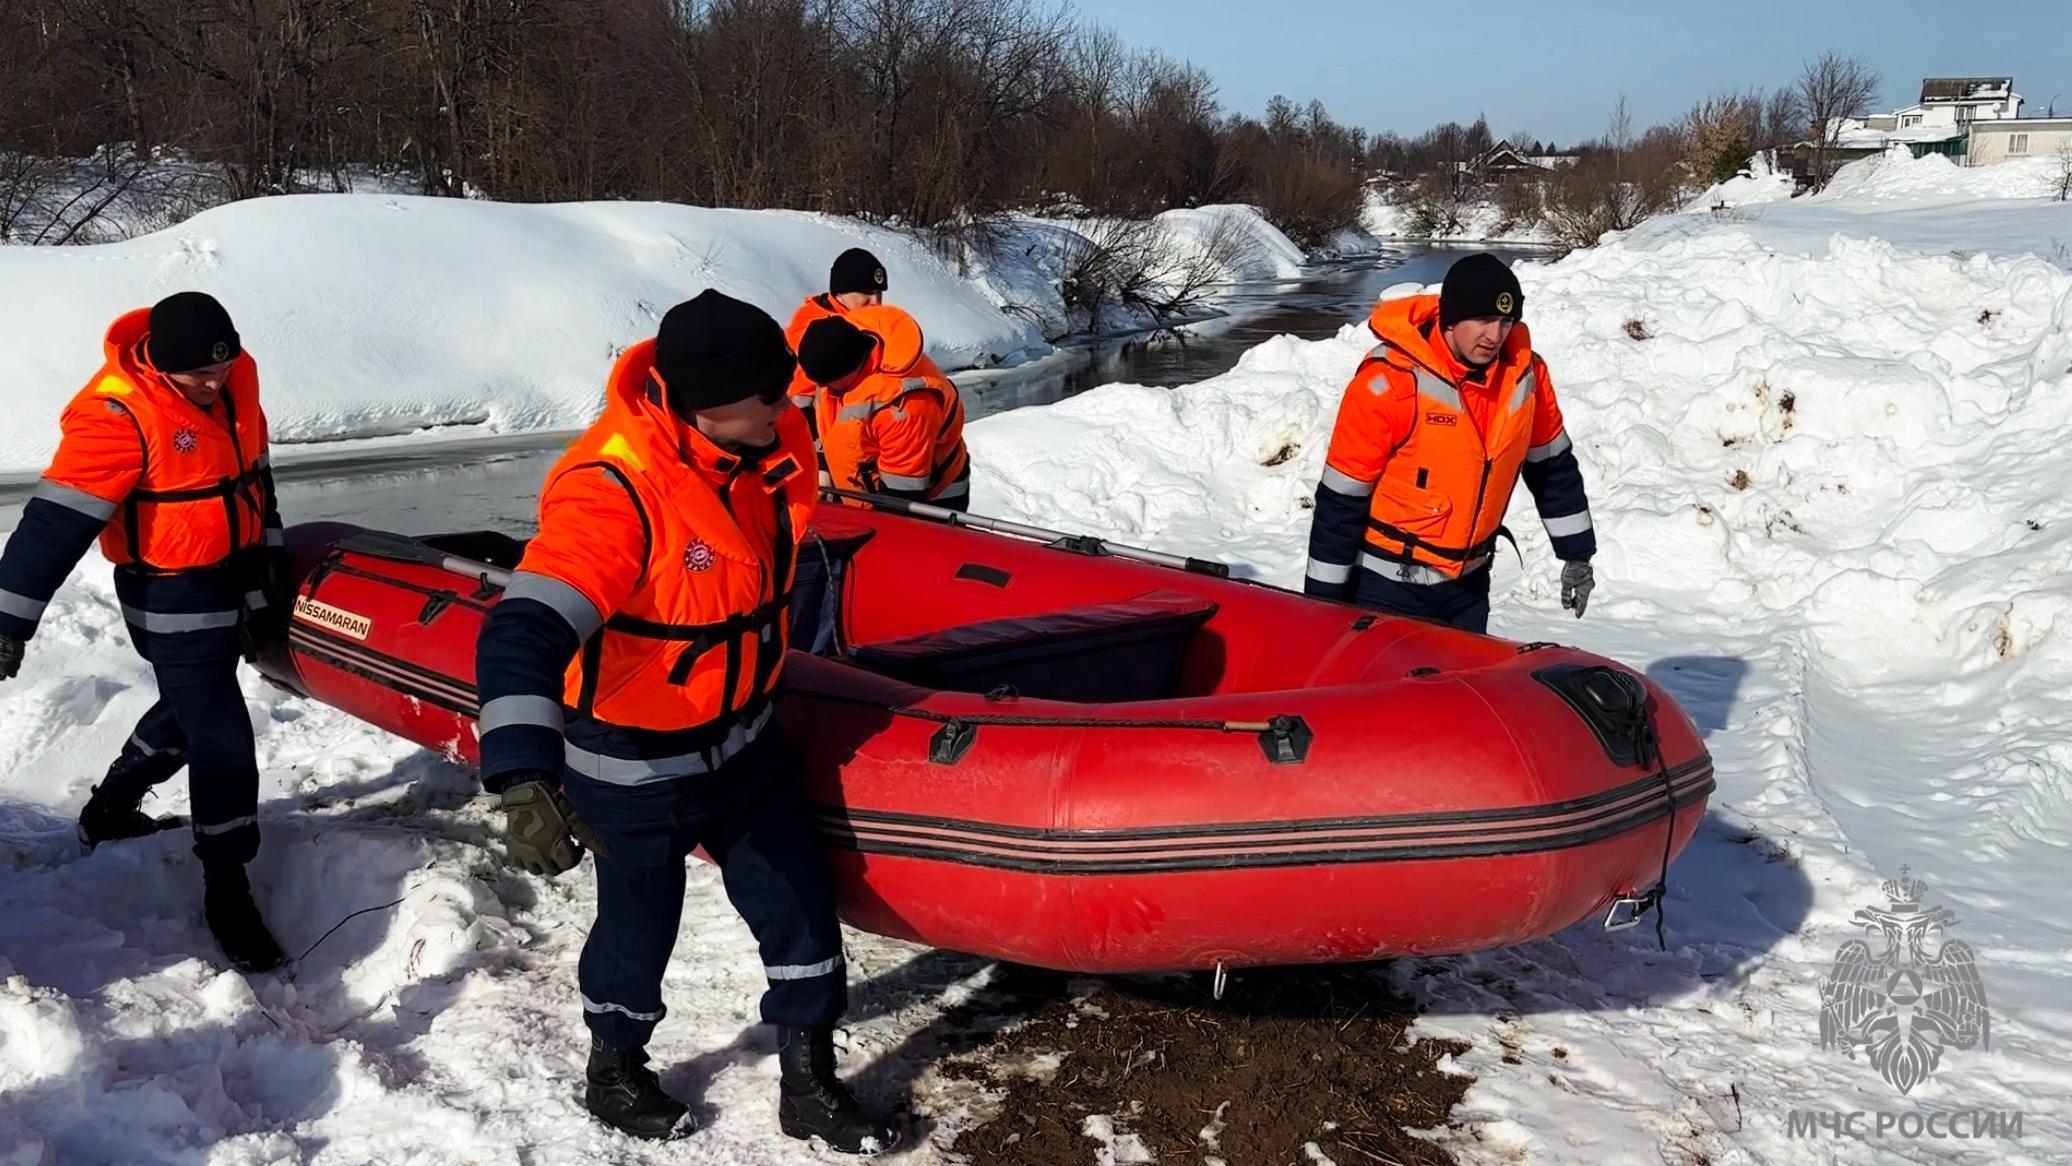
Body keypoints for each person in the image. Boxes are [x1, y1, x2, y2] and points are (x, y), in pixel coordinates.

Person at [473, 290, 898, 1153]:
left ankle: (809, 1086)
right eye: (769, 397)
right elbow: (524, 629)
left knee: (800, 910)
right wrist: (520, 773)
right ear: (705, 403)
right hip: (634, 760)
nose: (789, 411)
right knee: (638, 926)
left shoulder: (766, 442)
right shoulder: (612, 490)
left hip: (745, 742)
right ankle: (616, 1068)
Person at [0, 291, 288, 973]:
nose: (215, 381)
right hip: (168, 592)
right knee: (220, 732)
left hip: (230, 575)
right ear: (161, 363)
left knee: (193, 711)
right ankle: (227, 887)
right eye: (199, 375)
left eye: (223, 366)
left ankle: (110, 807)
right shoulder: (117, 415)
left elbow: (256, 482)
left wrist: (267, 569)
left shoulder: (235, 381)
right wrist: (9, 619)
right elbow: (54, 524)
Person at [1302, 254, 1595, 633]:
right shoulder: (1390, 381)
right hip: (1387, 587)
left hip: (1469, 590)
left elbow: (1552, 468)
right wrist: (1321, 603)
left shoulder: (1526, 377)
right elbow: (1342, 499)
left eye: (1506, 321)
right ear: (1451, 319)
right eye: (1484, 320)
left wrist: (1577, 555)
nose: (1495, 335)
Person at [795, 304, 970, 511]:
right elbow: (834, 423)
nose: (823, 388)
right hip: (866, 496)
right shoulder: (839, 366)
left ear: (851, 371)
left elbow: (900, 500)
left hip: (929, 502)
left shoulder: (905, 407)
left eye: (828, 382)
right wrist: (823, 467)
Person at [783, 248, 890, 431]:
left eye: (879, 293)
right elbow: (800, 386)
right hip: (822, 430)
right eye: (867, 292)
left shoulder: (869, 320)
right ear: (841, 293)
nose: (876, 301)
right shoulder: (812, 325)